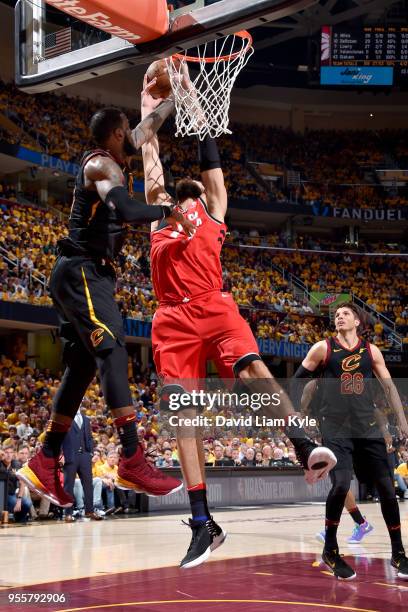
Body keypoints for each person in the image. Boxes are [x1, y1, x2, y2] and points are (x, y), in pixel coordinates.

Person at [141, 70, 336, 569]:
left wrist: (187, 93)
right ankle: (203, 522)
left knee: (254, 370)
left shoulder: (216, 211)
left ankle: (301, 444)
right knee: (184, 417)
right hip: (172, 319)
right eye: (184, 198)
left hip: (215, 305)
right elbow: (149, 155)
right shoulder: (159, 219)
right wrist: (147, 103)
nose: (190, 201)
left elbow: (209, 149)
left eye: (195, 197)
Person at [17, 87, 195, 508]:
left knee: (80, 369)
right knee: (113, 350)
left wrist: (178, 95)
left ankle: (44, 460)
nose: (133, 141)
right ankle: (132, 456)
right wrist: (168, 212)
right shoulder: (100, 166)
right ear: (116, 134)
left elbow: (149, 128)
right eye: (127, 135)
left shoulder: (117, 149)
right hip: (82, 271)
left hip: (85, 274)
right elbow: (130, 210)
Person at [296, 302, 408, 579]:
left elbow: (390, 386)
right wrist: (301, 409)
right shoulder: (322, 348)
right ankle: (331, 550)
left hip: (367, 426)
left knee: (386, 487)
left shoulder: (372, 351)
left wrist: (402, 420)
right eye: (336, 315)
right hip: (335, 427)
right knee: (342, 484)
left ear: (358, 321)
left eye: (345, 314)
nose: (340, 317)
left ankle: (398, 554)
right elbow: (297, 380)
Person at [301, 379, 374, 545]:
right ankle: (361, 523)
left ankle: (331, 531)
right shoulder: (315, 386)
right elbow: (303, 408)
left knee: (339, 485)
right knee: (340, 485)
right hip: (334, 437)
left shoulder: (343, 384)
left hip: (343, 438)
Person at [61, 410, 103, 521]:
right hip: (69, 455)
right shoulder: (64, 418)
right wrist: (61, 454)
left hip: (85, 456)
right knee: (68, 485)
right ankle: (68, 513)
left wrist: (90, 453)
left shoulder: (86, 419)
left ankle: (89, 511)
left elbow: (89, 437)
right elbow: (59, 437)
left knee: (88, 484)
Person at [0, 446, 32, 522]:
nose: (9, 455)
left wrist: (19, 499)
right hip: (1, 495)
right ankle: (9, 516)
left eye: (11, 452)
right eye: (6, 453)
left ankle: (20, 519)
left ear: (14, 454)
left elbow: (22, 482)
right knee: (13, 502)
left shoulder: (17, 464)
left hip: (12, 494)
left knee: (27, 503)